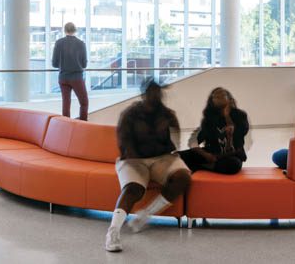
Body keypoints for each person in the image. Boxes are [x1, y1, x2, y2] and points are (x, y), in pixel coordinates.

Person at [106, 79, 190, 253]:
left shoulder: (168, 115)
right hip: (133, 160)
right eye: (151, 93)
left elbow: (175, 141)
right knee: (133, 189)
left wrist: (172, 155)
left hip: (162, 158)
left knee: (183, 177)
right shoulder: (130, 114)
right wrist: (138, 168)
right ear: (143, 95)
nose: (156, 97)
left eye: (158, 93)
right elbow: (124, 143)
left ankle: (145, 215)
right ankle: (113, 231)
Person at [180, 87, 249, 175]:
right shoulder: (209, 119)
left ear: (229, 98)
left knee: (233, 165)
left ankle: (200, 168)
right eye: (216, 96)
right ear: (211, 101)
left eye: (222, 95)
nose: (219, 97)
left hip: (232, 156)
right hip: (212, 153)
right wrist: (206, 155)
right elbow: (194, 142)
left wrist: (227, 116)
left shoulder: (240, 116)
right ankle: (208, 166)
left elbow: (240, 136)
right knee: (179, 156)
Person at [52, 22, 90, 121]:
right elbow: (84, 64)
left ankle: (66, 125)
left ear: (65, 30)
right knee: (84, 102)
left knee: (66, 103)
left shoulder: (59, 43)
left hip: (63, 77)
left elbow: (54, 63)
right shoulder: (81, 44)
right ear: (75, 30)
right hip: (76, 78)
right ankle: (83, 124)